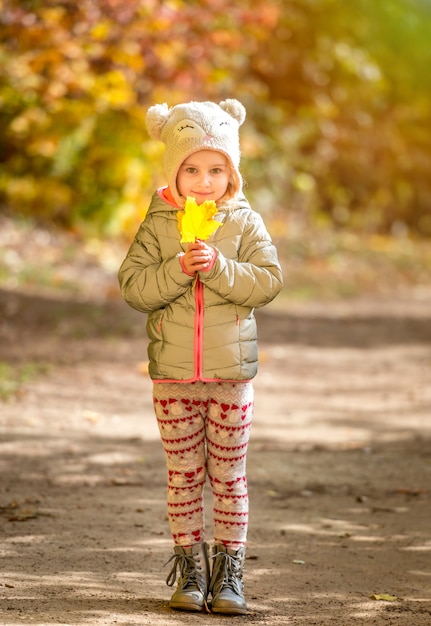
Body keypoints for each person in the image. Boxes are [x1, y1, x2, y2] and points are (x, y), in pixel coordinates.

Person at [118, 99, 283, 615]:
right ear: (174, 170)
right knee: (184, 474)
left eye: (216, 169)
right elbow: (134, 287)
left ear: (231, 171)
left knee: (229, 476)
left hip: (230, 376)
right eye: (191, 169)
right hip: (172, 378)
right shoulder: (158, 224)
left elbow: (268, 281)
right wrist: (176, 267)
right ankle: (189, 568)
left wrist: (217, 268)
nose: (204, 180)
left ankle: (228, 571)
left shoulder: (244, 222)